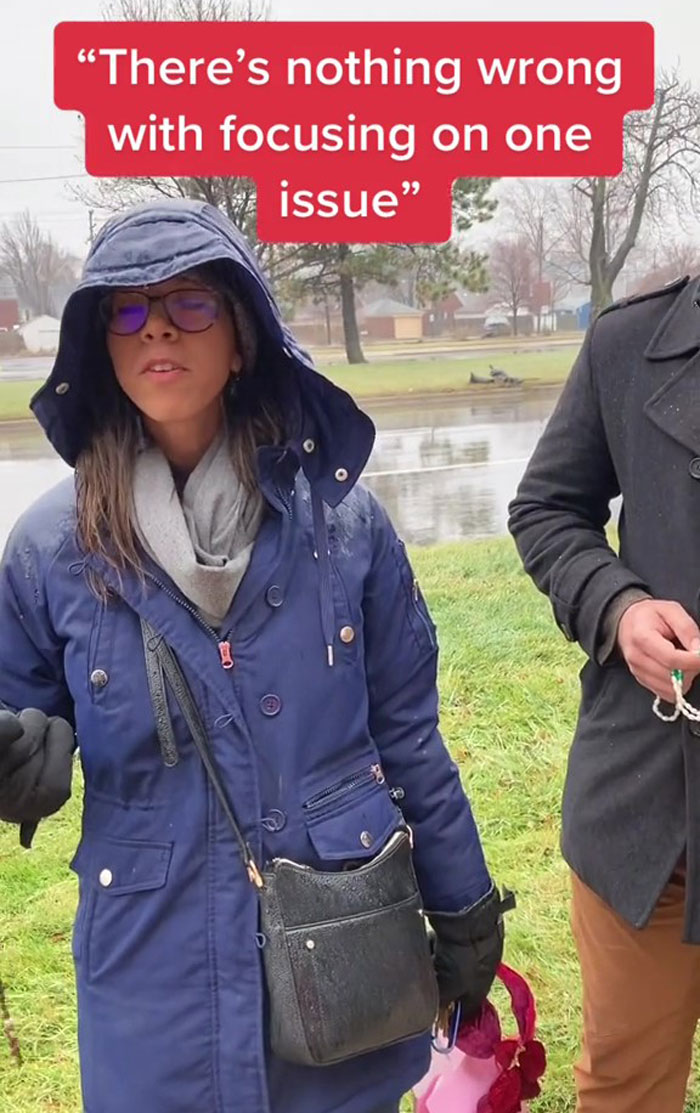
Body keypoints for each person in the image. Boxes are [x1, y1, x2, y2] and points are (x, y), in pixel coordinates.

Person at [0, 199, 507, 1113]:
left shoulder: (344, 527)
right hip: (149, 984)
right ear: (103, 352)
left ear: (241, 340)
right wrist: (17, 767)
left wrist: (465, 904)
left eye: (190, 303)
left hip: (340, 971)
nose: (156, 324)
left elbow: (410, 736)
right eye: (127, 309)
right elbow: (23, 720)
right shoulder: (49, 550)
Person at [508, 274, 700, 1113]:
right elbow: (547, 508)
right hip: (651, 817)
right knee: (626, 1086)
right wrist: (620, 612)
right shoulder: (631, 341)